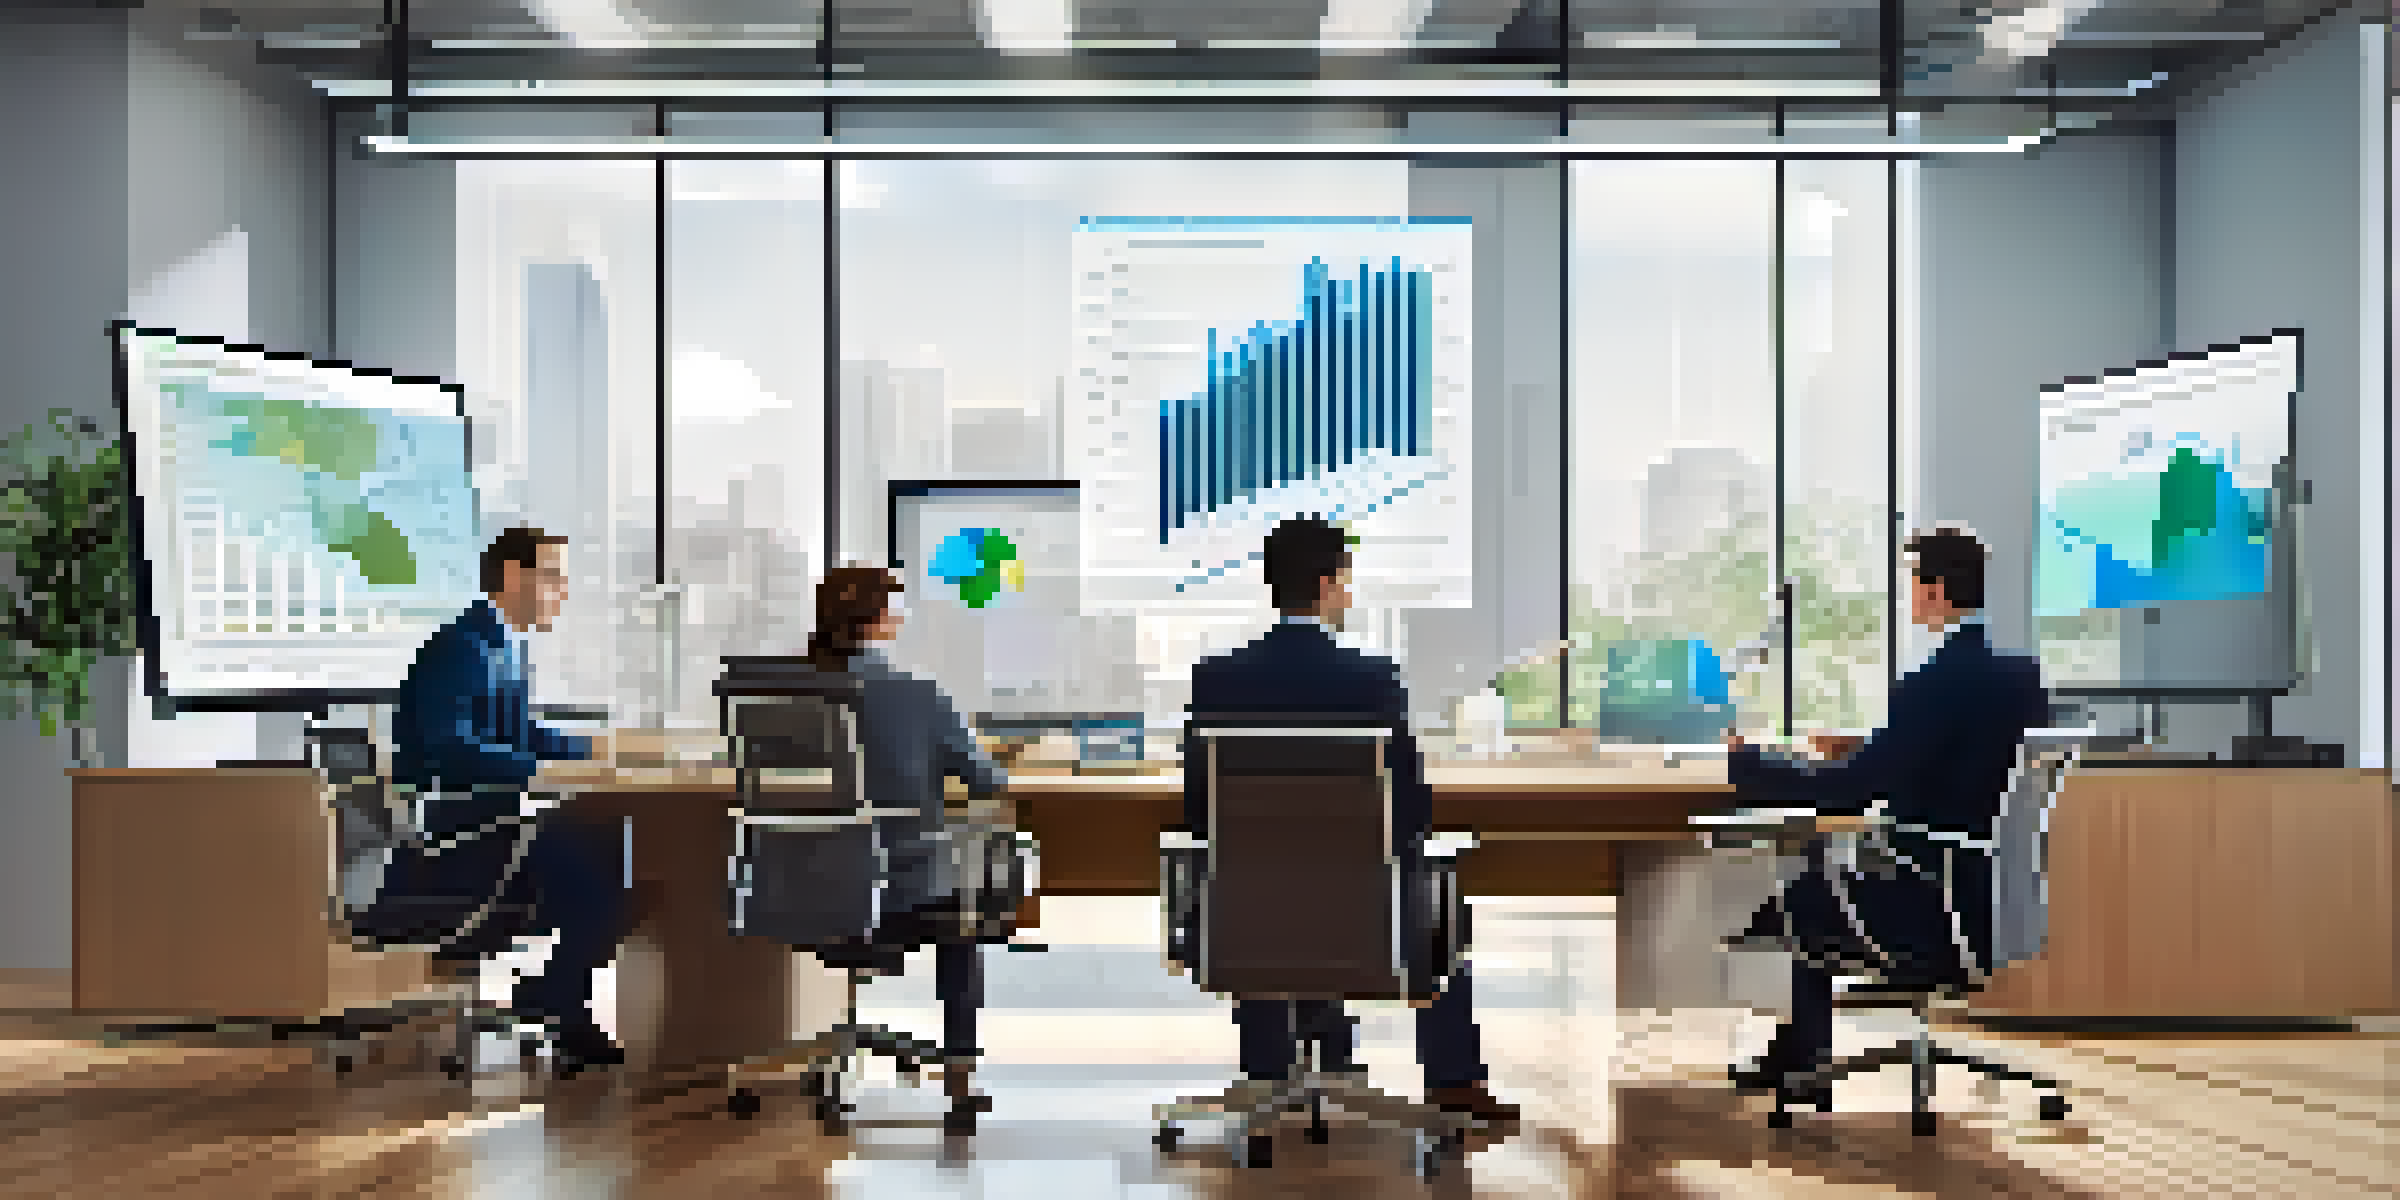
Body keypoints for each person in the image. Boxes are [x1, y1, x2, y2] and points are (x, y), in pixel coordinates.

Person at [1184, 516, 1519, 1125]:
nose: (1346, 593)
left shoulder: (1216, 678)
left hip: (1247, 922)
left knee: (1260, 885)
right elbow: (1411, 808)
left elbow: (1197, 812)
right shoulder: (1372, 678)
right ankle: (1453, 1084)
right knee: (1430, 898)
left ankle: (1268, 1069)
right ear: (1324, 583)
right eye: (1343, 580)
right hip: (1364, 921)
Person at [1723, 526, 2050, 1102]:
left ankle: (1802, 1056)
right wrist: (1868, 746)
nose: (1907, 599)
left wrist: (1747, 763)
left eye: (1912, 585)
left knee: (1797, 890)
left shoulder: (1931, 685)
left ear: (1937, 592)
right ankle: (1801, 1051)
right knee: (1818, 876)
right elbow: (1963, 761)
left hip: (1931, 900)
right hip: (1987, 900)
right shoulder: (2018, 679)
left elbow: (1847, 795)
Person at [386, 525, 627, 1075]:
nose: (562, 591)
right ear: (514, 575)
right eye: (552, 576)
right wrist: (538, 769)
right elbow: (450, 744)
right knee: (605, 864)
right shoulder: (461, 647)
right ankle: (555, 997)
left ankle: (556, 994)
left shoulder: (501, 645)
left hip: (494, 827)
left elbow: (523, 732)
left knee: (614, 857)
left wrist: (600, 749)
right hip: (462, 838)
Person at [801, 565, 1009, 1113]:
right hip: (898, 897)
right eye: (894, 608)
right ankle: (960, 1071)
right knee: (972, 900)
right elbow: (984, 782)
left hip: (797, 895)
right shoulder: (917, 694)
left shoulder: (784, 691)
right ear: (878, 620)